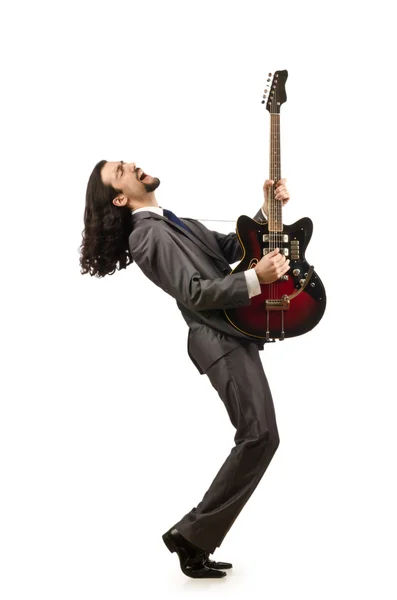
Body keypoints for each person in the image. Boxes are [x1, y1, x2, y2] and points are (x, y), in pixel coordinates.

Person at [80, 160, 291, 579]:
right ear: (120, 199)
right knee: (260, 434)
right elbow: (194, 292)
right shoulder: (146, 236)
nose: (133, 164)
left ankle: (193, 536)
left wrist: (266, 210)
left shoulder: (174, 221)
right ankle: (192, 535)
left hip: (232, 334)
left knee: (261, 434)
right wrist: (255, 278)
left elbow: (232, 248)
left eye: (127, 161)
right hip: (217, 339)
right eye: (122, 170)